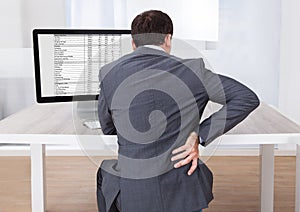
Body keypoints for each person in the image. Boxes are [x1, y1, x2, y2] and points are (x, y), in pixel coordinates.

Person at [97, 10, 260, 212]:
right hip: (183, 193)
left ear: (133, 43)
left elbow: (107, 127)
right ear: (168, 39)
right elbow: (246, 97)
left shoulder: (109, 73)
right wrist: (198, 135)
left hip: (135, 192)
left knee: (106, 173)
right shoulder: (194, 71)